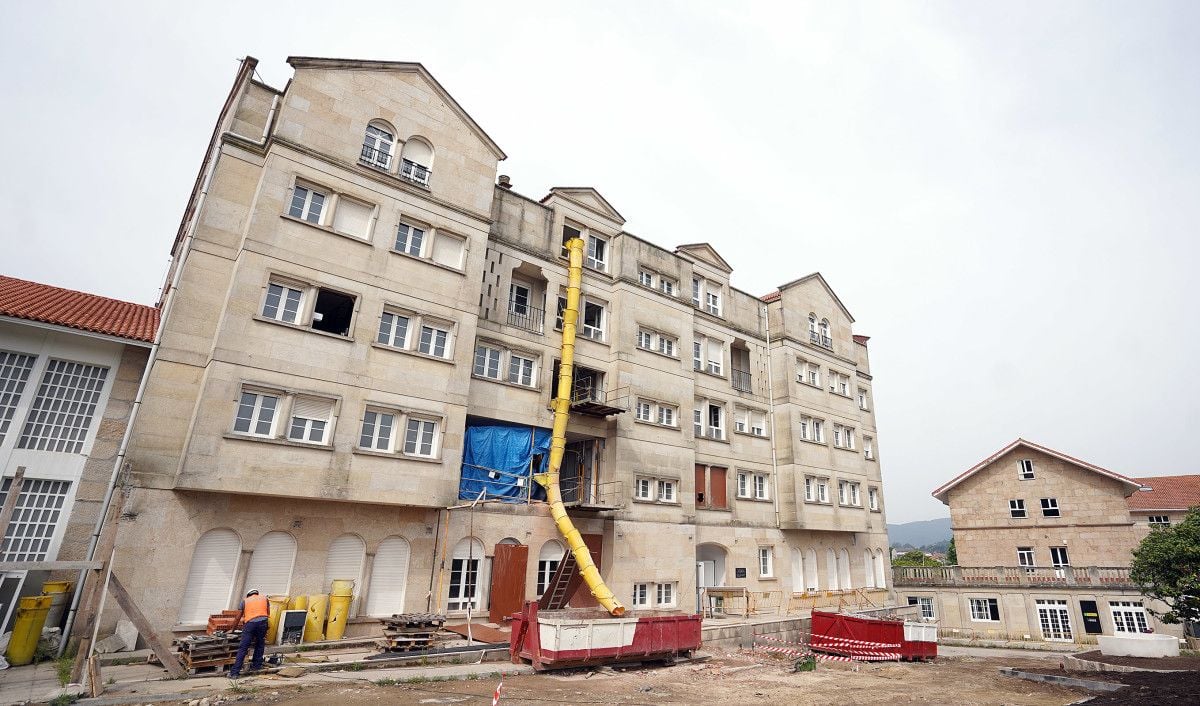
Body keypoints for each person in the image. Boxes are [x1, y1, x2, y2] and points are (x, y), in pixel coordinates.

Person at [229, 589, 270, 678]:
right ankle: (256, 666)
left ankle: (235, 673)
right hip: (263, 623)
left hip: (250, 624)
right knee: (260, 644)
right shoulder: (264, 599)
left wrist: (232, 630)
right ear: (256, 594)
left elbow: (238, 617)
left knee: (243, 647)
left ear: (248, 595)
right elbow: (268, 613)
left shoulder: (245, 601)